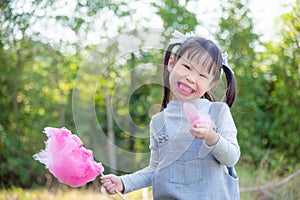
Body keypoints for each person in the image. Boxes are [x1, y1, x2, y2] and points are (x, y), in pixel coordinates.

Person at [101, 30, 240, 199]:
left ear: (210, 84)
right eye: (187, 67)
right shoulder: (159, 122)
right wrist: (124, 183)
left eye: (202, 75)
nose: (191, 77)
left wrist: (211, 137)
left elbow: (232, 157)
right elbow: (155, 169)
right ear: (172, 63)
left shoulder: (218, 112)